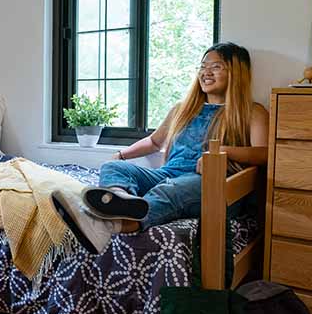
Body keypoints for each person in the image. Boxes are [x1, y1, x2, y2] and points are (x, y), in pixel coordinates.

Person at [52, 42, 269, 253]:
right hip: (169, 174)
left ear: (236, 72)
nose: (206, 72)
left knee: (169, 190)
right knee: (113, 167)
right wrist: (120, 155)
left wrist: (223, 151)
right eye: (203, 66)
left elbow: (264, 154)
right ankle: (121, 202)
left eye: (216, 66)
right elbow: (155, 142)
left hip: (211, 183)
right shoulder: (184, 109)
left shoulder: (252, 112)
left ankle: (113, 225)